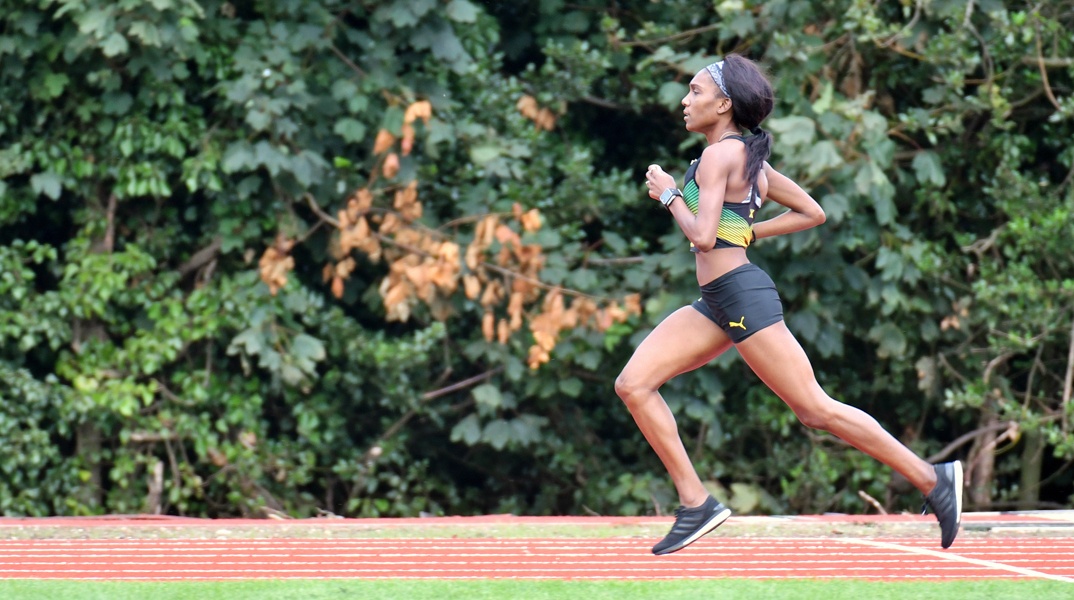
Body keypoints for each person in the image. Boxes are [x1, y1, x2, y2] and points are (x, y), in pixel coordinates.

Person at [616, 54, 962, 555]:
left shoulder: (719, 157)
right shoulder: (745, 157)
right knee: (634, 383)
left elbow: (704, 235)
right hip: (718, 299)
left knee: (814, 409)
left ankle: (933, 478)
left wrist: (670, 194)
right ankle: (696, 503)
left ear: (724, 104)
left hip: (740, 296)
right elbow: (810, 212)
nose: (685, 101)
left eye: (694, 92)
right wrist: (749, 230)